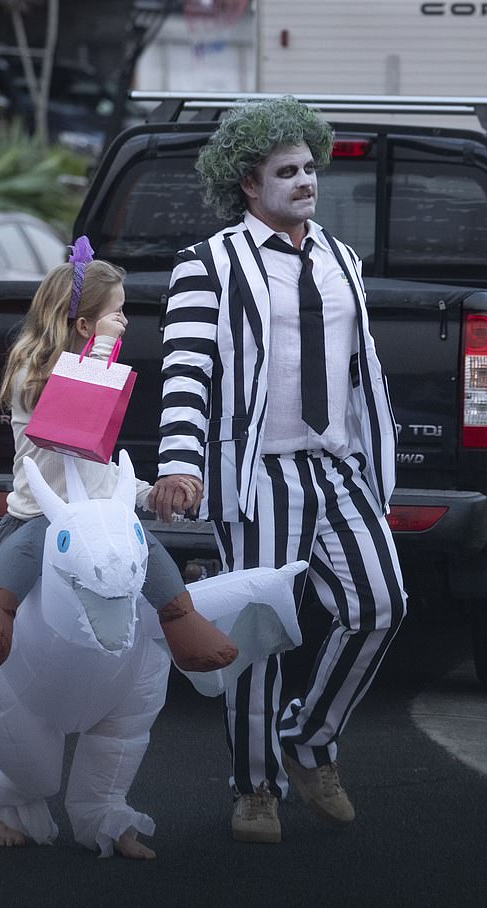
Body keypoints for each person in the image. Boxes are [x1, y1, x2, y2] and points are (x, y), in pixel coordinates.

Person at [149, 97, 407, 844]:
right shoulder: (210, 263)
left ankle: (309, 741)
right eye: (285, 171)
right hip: (259, 478)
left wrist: (373, 450)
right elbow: (186, 372)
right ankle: (254, 786)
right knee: (260, 635)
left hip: (338, 468)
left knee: (381, 603)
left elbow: (361, 369)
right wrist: (180, 465)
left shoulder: (338, 256)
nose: (306, 181)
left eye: (308, 167)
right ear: (246, 183)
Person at [0, 244, 238, 783]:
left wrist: (144, 494)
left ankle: (181, 619)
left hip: (98, 515)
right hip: (40, 511)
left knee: (147, 548)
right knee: (26, 542)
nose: (126, 321)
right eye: (116, 313)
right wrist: (99, 351)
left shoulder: (98, 375)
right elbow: (65, 417)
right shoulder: (32, 376)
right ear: (84, 323)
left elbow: (99, 464)